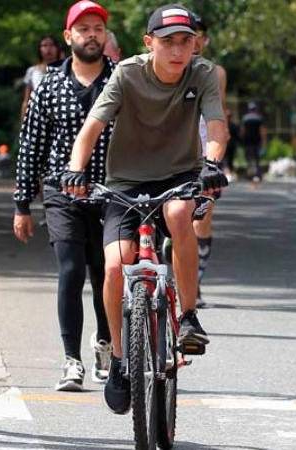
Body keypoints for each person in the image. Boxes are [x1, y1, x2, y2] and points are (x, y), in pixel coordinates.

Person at [62, 3, 229, 415]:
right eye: (168, 42)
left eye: (185, 41)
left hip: (179, 175)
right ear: (148, 42)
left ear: (196, 43)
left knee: (177, 215)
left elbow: (217, 125)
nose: (177, 50)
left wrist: (212, 163)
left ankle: (188, 316)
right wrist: (75, 170)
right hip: (125, 183)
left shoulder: (202, 73)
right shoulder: (127, 73)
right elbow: (91, 129)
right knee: (117, 265)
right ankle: (119, 358)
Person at [13, 0, 116, 392]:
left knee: (107, 272)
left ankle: (105, 345)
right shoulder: (49, 86)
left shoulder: (120, 80)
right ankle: (71, 359)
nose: (92, 35)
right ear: (68, 36)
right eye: (84, 28)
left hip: (111, 192)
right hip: (63, 192)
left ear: (105, 36)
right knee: (72, 270)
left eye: (98, 29)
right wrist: (22, 204)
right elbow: (31, 147)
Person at [189, 13, 228, 309]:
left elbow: (220, 114)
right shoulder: (165, 69)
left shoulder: (216, 72)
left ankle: (195, 282)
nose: (195, 40)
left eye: (199, 34)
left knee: (202, 220)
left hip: (207, 153)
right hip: (173, 153)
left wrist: (216, 156)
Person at [22, 35, 64, 118]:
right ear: (39, 49)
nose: (48, 48)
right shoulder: (32, 71)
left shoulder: (65, 69)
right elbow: (26, 100)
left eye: (52, 45)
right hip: (38, 115)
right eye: (44, 45)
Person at [241, 101, 267, 183]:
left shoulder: (245, 118)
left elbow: (243, 130)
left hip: (248, 141)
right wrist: (264, 141)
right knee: (257, 159)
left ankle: (249, 175)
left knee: (249, 159)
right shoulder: (259, 118)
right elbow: (262, 131)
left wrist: (242, 139)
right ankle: (257, 175)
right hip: (257, 141)